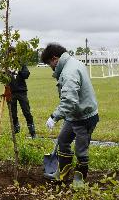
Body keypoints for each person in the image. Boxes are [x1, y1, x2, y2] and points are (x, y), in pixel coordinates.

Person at [41, 43, 99, 186]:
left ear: (55, 59)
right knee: (63, 140)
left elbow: (69, 100)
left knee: (81, 149)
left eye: (50, 64)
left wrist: (54, 117)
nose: (52, 68)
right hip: (74, 115)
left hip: (84, 117)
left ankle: (79, 179)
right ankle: (62, 173)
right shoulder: (72, 63)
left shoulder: (69, 72)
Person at [9, 64, 37, 139]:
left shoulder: (21, 65)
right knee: (13, 113)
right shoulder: (7, 65)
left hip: (21, 92)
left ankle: (32, 132)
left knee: (26, 112)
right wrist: (4, 73)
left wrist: (19, 70)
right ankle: (16, 129)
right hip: (11, 92)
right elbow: (0, 78)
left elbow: (26, 75)